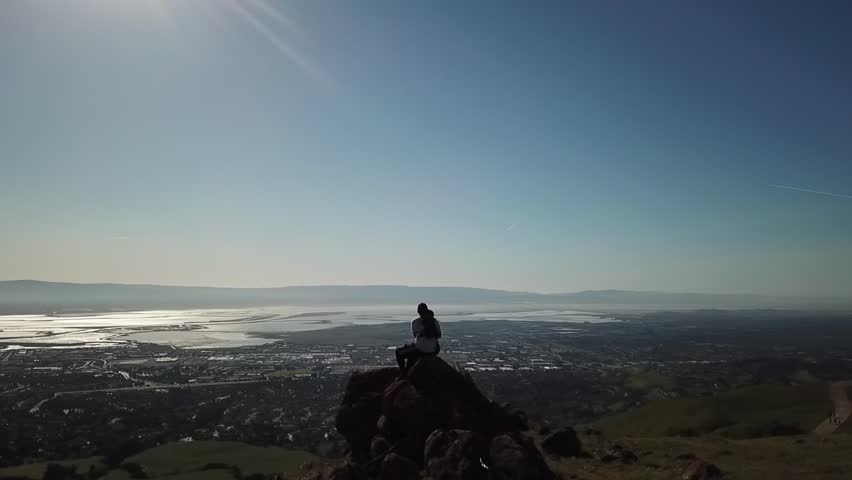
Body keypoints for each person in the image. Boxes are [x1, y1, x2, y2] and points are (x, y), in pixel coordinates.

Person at [395, 303, 442, 373]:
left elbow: (415, 337)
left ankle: (403, 373)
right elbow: (439, 335)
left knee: (398, 352)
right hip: (434, 350)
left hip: (420, 349)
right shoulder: (434, 321)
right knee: (412, 355)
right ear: (427, 310)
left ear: (418, 312)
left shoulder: (414, 322)